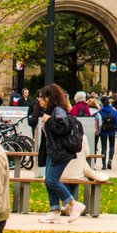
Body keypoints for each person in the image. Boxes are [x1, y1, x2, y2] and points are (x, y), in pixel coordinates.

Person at [36, 84, 84, 223]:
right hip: (54, 151)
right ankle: (54, 211)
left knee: (51, 180)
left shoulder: (58, 111)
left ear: (49, 98)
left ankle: (73, 205)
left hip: (61, 151)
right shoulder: (54, 111)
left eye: (41, 97)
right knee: (49, 180)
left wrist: (49, 120)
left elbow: (63, 128)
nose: (39, 100)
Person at [96, 95, 117, 171]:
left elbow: (99, 121)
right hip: (112, 130)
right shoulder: (113, 110)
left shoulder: (100, 111)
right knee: (111, 146)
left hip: (103, 131)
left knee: (104, 147)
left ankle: (104, 164)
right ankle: (110, 160)